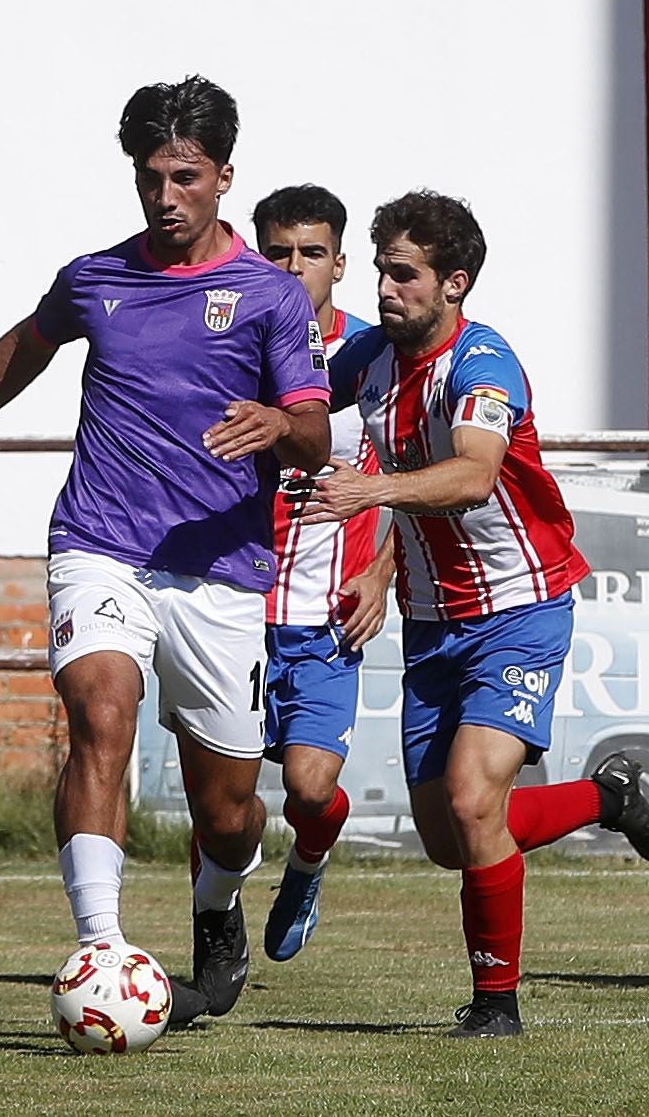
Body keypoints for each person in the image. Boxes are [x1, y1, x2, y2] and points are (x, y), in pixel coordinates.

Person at [0, 76, 330, 1028]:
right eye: (151, 177)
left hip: (222, 569)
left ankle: (217, 904)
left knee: (226, 808)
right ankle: (100, 947)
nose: (165, 196)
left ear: (224, 177)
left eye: (185, 176)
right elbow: (28, 343)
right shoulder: (95, 278)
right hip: (101, 543)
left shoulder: (269, 298)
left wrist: (277, 421)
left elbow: (313, 434)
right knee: (100, 711)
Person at [302, 190, 649, 1038]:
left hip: (520, 610)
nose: (387, 289)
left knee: (472, 803)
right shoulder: (371, 359)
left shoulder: (485, 366)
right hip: (432, 622)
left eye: (406, 275)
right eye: (382, 269)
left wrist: (370, 491)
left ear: (454, 283)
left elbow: (471, 478)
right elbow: (304, 400)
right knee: (448, 835)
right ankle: (607, 801)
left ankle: (496, 1005)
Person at [249, 184, 395, 962]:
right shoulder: (234, 344)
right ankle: (218, 924)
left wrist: (380, 573)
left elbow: (422, 477)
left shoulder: (371, 357)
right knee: (226, 803)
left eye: (311, 253)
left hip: (327, 616)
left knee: (308, 790)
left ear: (339, 263)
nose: (294, 267)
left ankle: (307, 864)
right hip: (235, 609)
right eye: (278, 252)